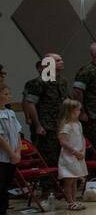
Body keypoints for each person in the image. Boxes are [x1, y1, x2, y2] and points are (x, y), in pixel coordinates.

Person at [22, 53, 68, 187]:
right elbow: (30, 103)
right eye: (58, 60)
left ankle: (61, 185)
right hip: (45, 125)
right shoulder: (38, 82)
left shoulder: (62, 81)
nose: (62, 62)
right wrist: (37, 125)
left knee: (61, 155)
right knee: (47, 156)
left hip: (60, 124)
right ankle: (47, 188)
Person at [72, 42, 96, 179]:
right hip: (93, 116)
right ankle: (92, 179)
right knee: (94, 148)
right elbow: (77, 92)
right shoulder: (86, 71)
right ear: (95, 53)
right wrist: (82, 112)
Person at [57, 98, 87, 211]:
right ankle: (70, 202)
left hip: (78, 155)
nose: (79, 112)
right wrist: (74, 152)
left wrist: (83, 151)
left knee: (75, 180)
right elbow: (63, 141)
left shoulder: (78, 124)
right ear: (70, 111)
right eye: (77, 110)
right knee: (68, 180)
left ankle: (74, 200)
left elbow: (82, 138)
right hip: (69, 156)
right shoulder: (66, 125)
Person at [0, 82, 22, 215]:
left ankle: (4, 212)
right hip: (2, 156)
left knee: (7, 185)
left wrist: (18, 152)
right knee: (0, 185)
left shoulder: (11, 113)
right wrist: (10, 152)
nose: (9, 96)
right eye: (6, 94)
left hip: (12, 156)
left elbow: (18, 133)